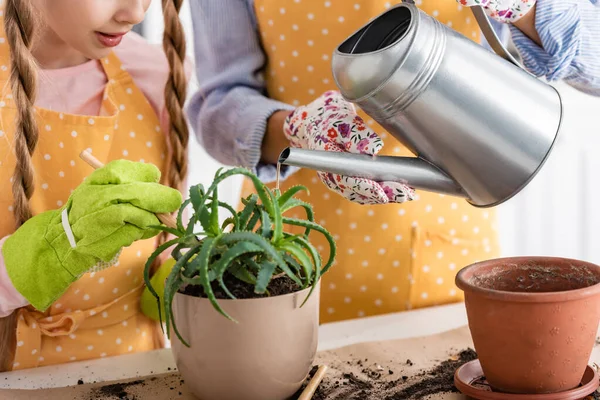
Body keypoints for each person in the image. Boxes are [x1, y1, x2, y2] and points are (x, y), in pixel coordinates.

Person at [187, 0, 600, 324]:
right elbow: (218, 105)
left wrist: (528, 6)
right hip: (279, 251)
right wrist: (299, 129)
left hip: (440, 251)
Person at [0, 0, 192, 372]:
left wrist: (193, 272)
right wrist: (49, 251)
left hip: (140, 370)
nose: (136, 13)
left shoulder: (153, 72)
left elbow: (163, 245)